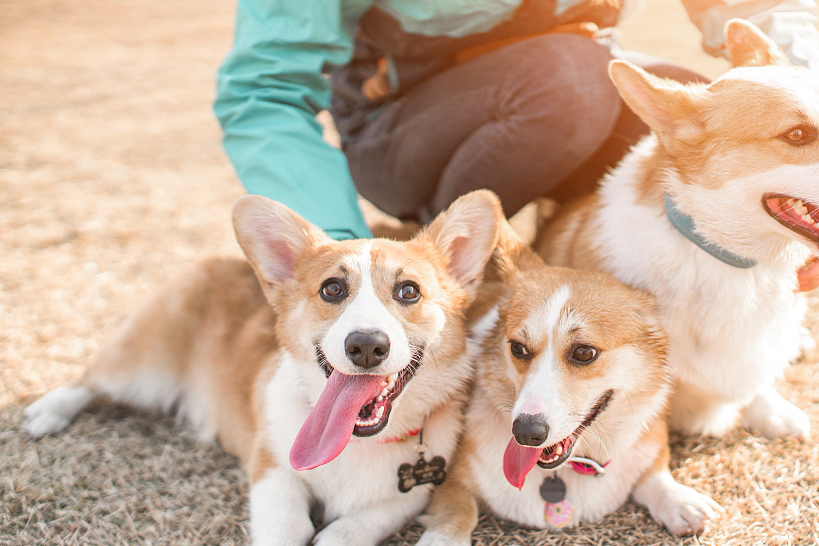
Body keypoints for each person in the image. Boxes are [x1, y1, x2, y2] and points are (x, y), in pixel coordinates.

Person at [213, 0, 819, 243]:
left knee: (691, 114)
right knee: (568, 79)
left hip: (568, 78)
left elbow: (758, 7)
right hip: (400, 129)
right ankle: (444, 271)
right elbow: (262, 91)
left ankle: (597, 278)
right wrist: (340, 254)